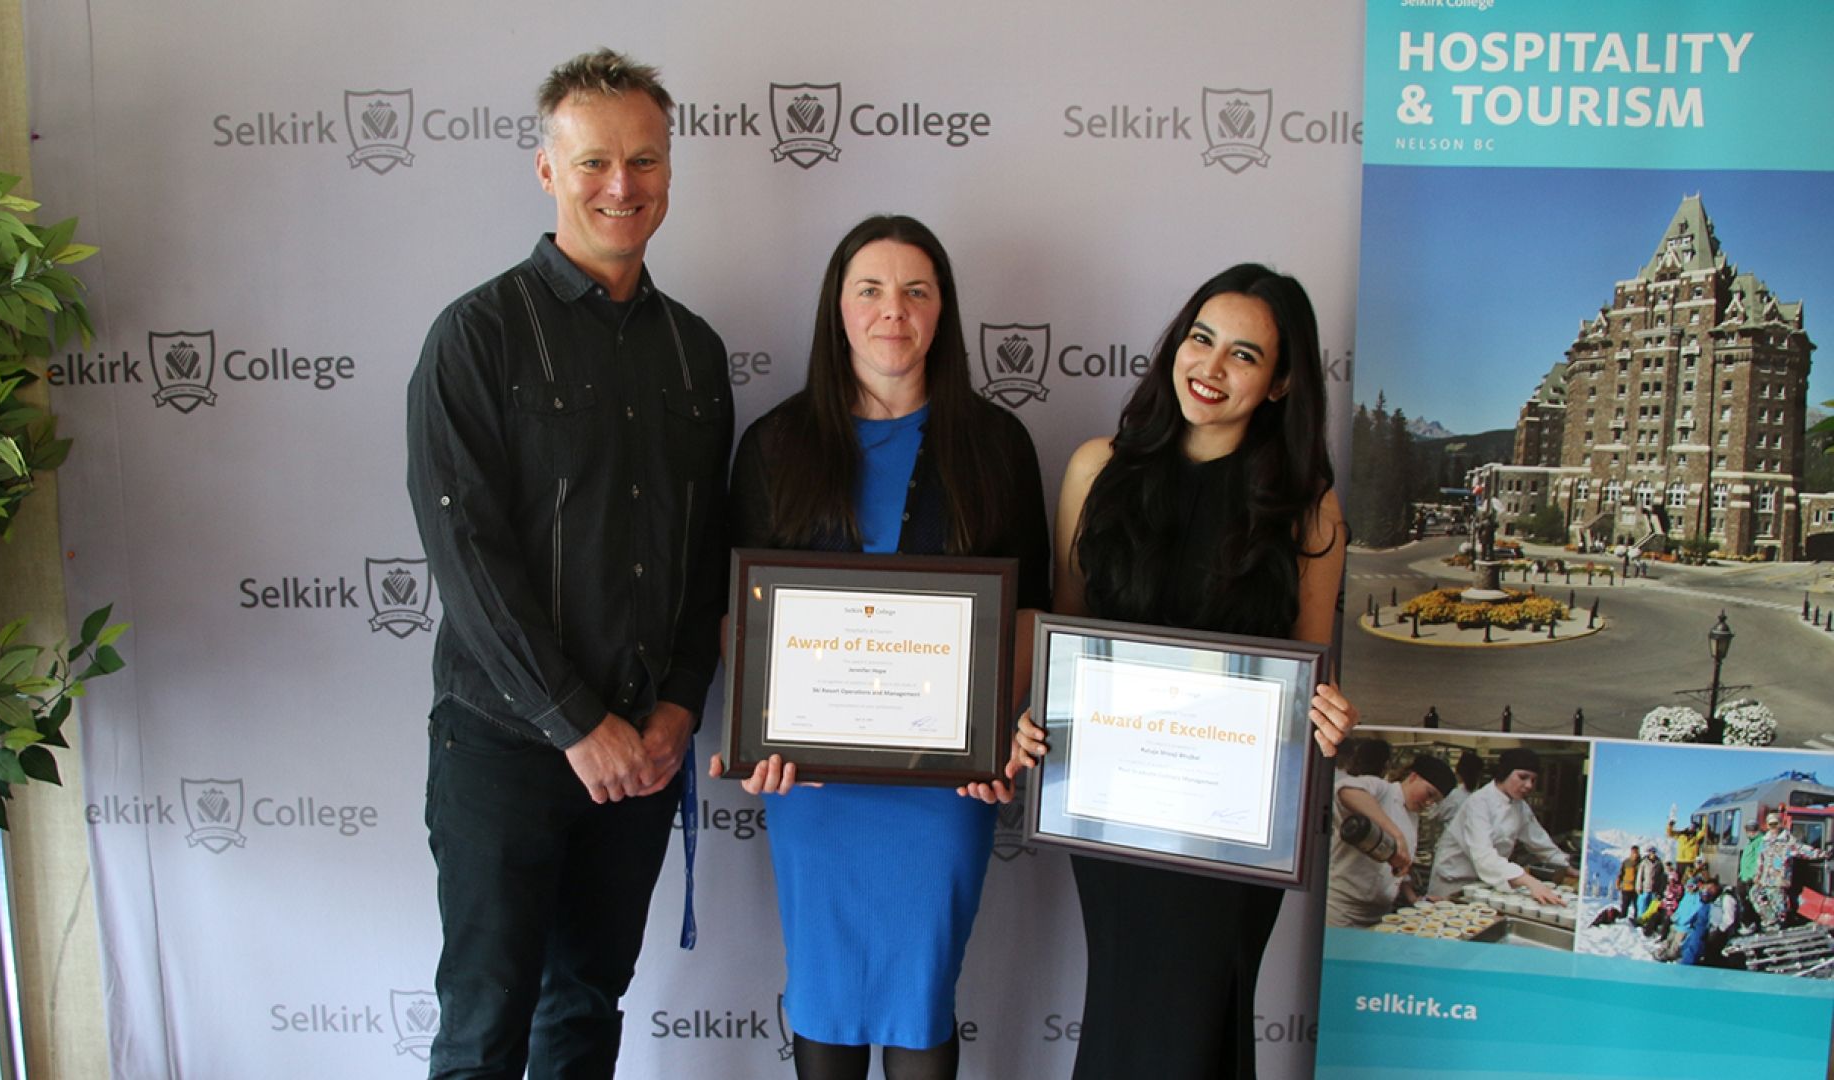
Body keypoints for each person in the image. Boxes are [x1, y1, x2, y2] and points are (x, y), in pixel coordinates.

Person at [406, 49, 732, 1078]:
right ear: (548, 170)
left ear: (669, 170)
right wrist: (576, 724)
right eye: (594, 161)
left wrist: (680, 705)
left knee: (586, 1009)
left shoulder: (695, 352)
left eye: (644, 160)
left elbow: (706, 556)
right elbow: (467, 556)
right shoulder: (476, 337)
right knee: (484, 1027)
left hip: (640, 754)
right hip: (504, 747)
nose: (620, 185)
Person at [713, 215, 1050, 1079]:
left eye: (915, 291)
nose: (891, 310)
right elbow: (739, 613)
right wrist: (758, 732)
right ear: (838, 307)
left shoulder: (998, 446)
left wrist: (986, 739)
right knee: (824, 991)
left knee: (920, 994)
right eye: (869, 289)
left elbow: (1026, 614)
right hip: (811, 782)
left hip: (945, 787)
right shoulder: (775, 444)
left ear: (942, 310)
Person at [1011, 264, 1359, 1077]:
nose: (1211, 367)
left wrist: (1329, 713)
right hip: (1113, 812)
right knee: (1124, 1016)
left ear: (1279, 384)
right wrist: (1034, 717)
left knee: (1199, 1031)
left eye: (1244, 354)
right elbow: (1069, 637)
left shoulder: (1309, 510)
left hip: (1231, 830)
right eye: (1201, 339)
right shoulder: (1097, 470)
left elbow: (1309, 675)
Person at [1427, 747, 1575, 904]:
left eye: (1533, 780)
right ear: (1505, 773)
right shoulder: (1479, 802)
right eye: (1523, 777)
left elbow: (1539, 840)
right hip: (1453, 882)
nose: (1529, 785)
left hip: (1485, 881)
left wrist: (1565, 865)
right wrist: (1528, 881)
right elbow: (1484, 855)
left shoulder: (1519, 806)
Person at [1328, 754, 1456, 928]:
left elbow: (1399, 866)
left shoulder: (1413, 817)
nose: (1429, 802)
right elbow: (1346, 791)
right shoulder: (1383, 789)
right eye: (1429, 793)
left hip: (1379, 913)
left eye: (1435, 801)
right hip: (1343, 909)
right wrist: (1396, 835)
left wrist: (1415, 900)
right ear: (1414, 777)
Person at [1750, 812, 1832, 930]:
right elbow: (1760, 859)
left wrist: (1824, 854)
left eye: (1775, 824)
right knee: (1754, 893)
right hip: (1765, 879)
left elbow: (1805, 851)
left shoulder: (1788, 841)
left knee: (1779, 904)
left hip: (1779, 880)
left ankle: (1779, 925)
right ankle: (1770, 920)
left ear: (1780, 824)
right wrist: (1757, 874)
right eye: (1770, 825)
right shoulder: (1765, 842)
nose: (1773, 827)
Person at [1618, 845, 1641, 918]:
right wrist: (1618, 882)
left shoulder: (1641, 862)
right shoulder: (1626, 862)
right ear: (1631, 852)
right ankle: (1622, 919)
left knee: (1637, 906)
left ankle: (1636, 920)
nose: (1635, 854)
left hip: (1637, 888)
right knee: (1624, 906)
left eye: (1636, 852)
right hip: (1627, 888)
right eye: (1633, 852)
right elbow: (1621, 873)